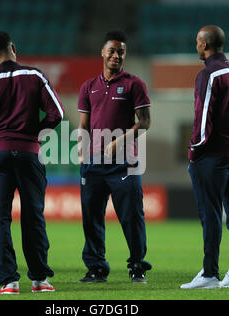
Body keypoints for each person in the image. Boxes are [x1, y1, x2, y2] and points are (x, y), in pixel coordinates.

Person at [0, 31, 63, 294]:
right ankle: (40, 279)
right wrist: (35, 133)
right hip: (29, 154)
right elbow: (57, 112)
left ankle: (8, 282)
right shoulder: (35, 75)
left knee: (0, 218)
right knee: (33, 216)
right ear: (13, 48)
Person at [77, 30, 152, 284]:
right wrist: (81, 148)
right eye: (112, 50)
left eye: (121, 52)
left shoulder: (135, 84)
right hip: (93, 163)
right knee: (92, 218)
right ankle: (96, 268)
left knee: (131, 217)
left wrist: (119, 140)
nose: (116, 55)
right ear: (102, 52)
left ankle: (137, 266)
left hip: (125, 163)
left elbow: (145, 122)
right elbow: (84, 125)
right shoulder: (88, 86)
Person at [180, 25, 229, 289]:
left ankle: (209, 273)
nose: (196, 46)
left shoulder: (208, 74)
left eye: (197, 42)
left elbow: (203, 116)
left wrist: (194, 149)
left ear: (204, 45)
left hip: (211, 155)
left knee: (210, 213)